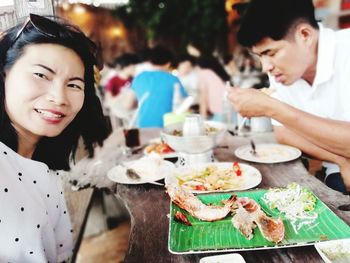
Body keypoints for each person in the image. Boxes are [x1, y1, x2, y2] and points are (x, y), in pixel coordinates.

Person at [0, 13, 111, 262]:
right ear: (4, 74)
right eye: (41, 75)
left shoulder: (45, 173)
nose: (59, 97)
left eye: (74, 85)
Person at [228, 0, 350, 193]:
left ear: (305, 35)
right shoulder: (281, 72)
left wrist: (272, 108)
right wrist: (340, 160)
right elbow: (284, 134)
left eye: (271, 53)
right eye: (259, 56)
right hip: (337, 171)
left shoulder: (346, 51)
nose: (265, 67)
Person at [131, 45, 187, 127]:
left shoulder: (139, 77)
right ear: (168, 63)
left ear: (150, 61)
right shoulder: (173, 79)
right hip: (167, 126)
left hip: (143, 125)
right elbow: (183, 102)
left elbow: (129, 104)